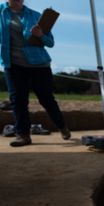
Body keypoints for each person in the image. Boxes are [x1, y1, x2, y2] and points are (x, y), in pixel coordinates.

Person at [0, 0, 70, 147]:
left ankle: (62, 126)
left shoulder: (36, 15)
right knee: (18, 100)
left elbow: (50, 42)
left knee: (46, 99)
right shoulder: (1, 12)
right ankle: (23, 135)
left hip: (39, 65)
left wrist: (40, 35)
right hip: (13, 64)